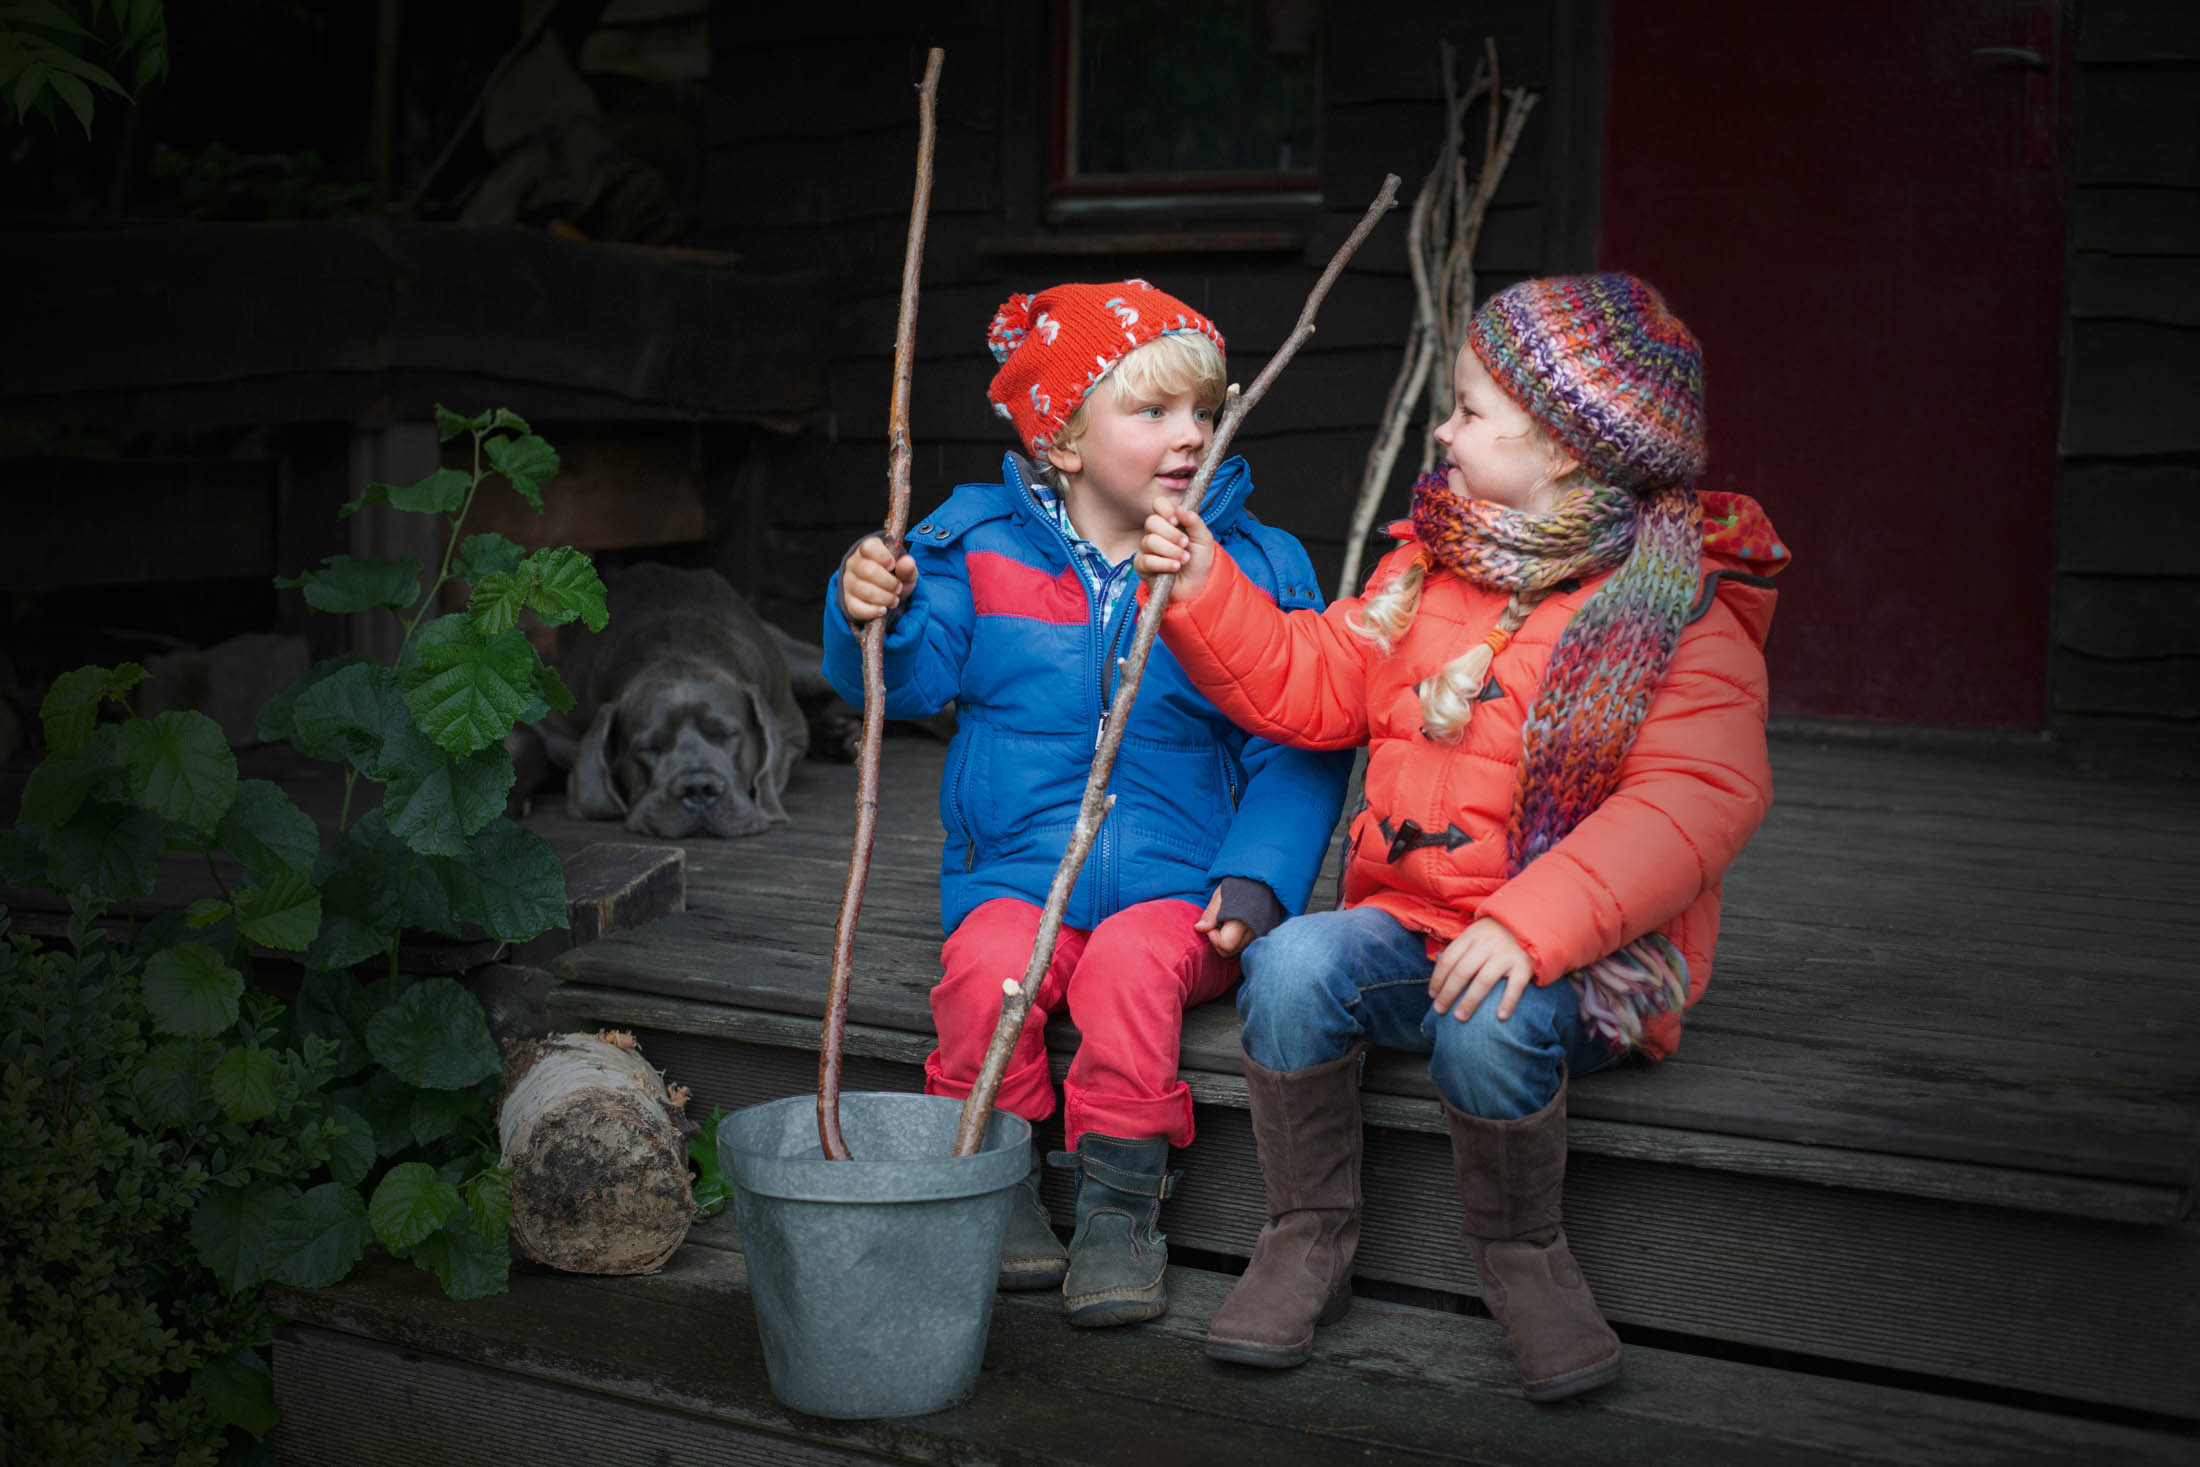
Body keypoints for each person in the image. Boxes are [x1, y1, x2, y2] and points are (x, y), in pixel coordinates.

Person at [1135, 273, 1787, 1396]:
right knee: (1290, 967)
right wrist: (1207, 587)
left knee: (1486, 1028)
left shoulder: (1673, 613)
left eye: (1473, 409)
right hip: (1413, 920)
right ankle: (1304, 1234)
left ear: (1571, 451)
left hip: (1583, 954)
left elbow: (1690, 800)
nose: (1444, 428)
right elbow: (1319, 681)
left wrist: (1534, 924)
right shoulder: (1422, 571)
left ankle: (1522, 1258)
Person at [824, 279, 1353, 1327]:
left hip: (1184, 886)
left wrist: (1258, 876)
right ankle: (997, 1180)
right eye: (1151, 412)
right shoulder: (973, 545)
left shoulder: (1251, 563)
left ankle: (1119, 1203)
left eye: (1203, 411)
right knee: (987, 974)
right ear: (1060, 441)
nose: (1189, 435)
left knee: (1124, 973)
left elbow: (1302, 738)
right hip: (1018, 874)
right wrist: (863, 614)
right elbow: (910, 681)